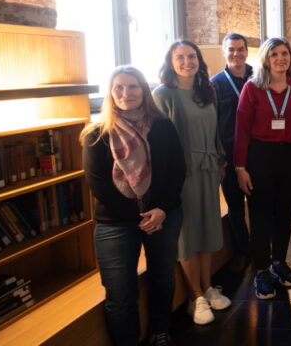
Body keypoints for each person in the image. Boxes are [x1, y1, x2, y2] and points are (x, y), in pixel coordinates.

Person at [83, 66, 185, 346]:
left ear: (143, 90)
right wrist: (140, 216)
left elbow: (177, 170)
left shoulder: (162, 125)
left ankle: (159, 332)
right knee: (120, 292)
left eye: (133, 87)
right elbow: (99, 185)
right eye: (119, 88)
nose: (126, 93)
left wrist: (161, 209)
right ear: (111, 93)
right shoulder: (96, 134)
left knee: (163, 280)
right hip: (115, 222)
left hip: (164, 214)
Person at [152, 40, 230, 325]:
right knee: (188, 234)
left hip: (209, 169)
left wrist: (220, 163)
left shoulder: (205, 90)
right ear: (170, 62)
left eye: (192, 56)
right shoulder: (163, 94)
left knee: (208, 228)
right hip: (181, 173)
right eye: (180, 57)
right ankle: (194, 296)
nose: (187, 61)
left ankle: (208, 286)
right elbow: (159, 141)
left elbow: (215, 132)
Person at [233, 37, 291, 300]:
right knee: (260, 215)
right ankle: (262, 270)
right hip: (260, 157)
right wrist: (240, 167)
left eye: (285, 53)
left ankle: (279, 261)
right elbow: (241, 130)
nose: (281, 58)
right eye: (275, 54)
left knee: (284, 213)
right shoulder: (252, 88)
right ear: (266, 58)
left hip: (290, 156)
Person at [209, 33, 253, 272]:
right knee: (235, 207)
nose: (236, 54)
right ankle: (242, 251)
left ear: (247, 51)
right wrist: (220, 157)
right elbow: (213, 122)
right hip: (229, 154)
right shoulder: (214, 83)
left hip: (257, 154)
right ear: (224, 52)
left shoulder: (258, 77)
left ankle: (261, 251)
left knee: (259, 206)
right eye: (231, 49)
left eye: (240, 49)